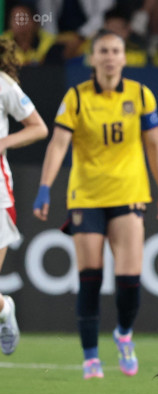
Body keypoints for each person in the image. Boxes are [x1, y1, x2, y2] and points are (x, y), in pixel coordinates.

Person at [34, 29, 158, 380]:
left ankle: (123, 334)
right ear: (92, 57)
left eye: (115, 51)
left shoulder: (140, 95)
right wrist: (44, 187)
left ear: (124, 58)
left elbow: (154, 145)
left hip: (129, 193)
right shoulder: (77, 97)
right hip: (87, 196)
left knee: (129, 279)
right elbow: (58, 144)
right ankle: (90, 357)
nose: (110, 57)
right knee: (90, 277)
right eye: (103, 51)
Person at [0, 36, 48, 355]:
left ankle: (4, 311)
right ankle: (3, 308)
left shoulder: (3, 85)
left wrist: (3, 143)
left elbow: (38, 127)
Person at [3, 2, 57, 66]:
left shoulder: (50, 42)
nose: (20, 23)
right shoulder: (2, 42)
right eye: (15, 18)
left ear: (35, 21)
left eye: (24, 18)